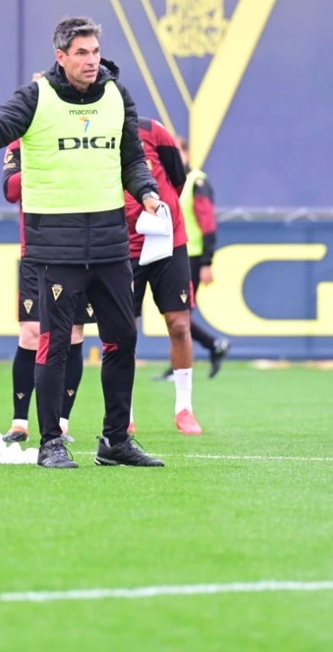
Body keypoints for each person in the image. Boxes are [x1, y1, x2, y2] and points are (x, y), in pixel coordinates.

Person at [0, 16, 163, 469]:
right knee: (57, 344)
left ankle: (114, 442)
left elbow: (133, 158)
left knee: (123, 339)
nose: (91, 60)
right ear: (61, 57)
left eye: (94, 51)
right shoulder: (36, 97)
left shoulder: (117, 96)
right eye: (81, 53)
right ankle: (51, 442)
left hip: (109, 242)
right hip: (57, 246)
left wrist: (146, 191)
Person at [0, 136, 92, 444]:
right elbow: (11, 190)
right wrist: (49, 163)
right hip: (36, 254)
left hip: (79, 252)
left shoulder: (80, 138)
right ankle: (20, 422)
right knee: (30, 333)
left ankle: (62, 422)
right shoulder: (20, 145)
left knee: (74, 334)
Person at [127, 116, 203, 435]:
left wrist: (162, 214)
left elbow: (178, 177)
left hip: (168, 240)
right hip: (123, 245)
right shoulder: (94, 136)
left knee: (179, 324)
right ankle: (123, 412)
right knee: (122, 332)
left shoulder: (151, 129)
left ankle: (184, 408)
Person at [156, 136, 229, 379]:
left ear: (185, 154)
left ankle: (209, 347)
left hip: (191, 255)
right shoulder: (165, 179)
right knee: (176, 313)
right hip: (172, 253)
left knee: (178, 314)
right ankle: (211, 346)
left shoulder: (196, 182)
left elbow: (207, 223)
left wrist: (207, 261)